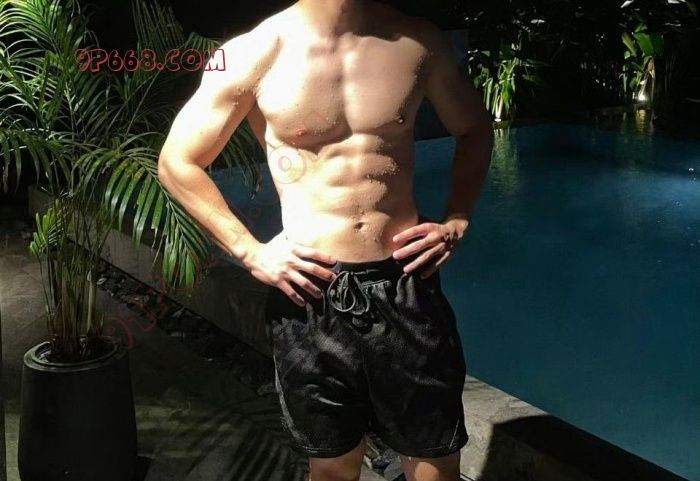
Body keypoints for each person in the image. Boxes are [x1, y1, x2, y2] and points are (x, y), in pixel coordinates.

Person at [157, 0, 494, 479]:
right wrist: (250, 251)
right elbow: (177, 162)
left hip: (405, 281)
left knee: (434, 459)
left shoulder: (418, 42)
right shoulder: (253, 52)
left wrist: (458, 217)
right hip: (312, 290)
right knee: (332, 467)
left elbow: (475, 128)